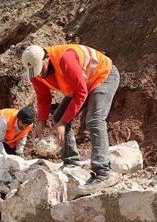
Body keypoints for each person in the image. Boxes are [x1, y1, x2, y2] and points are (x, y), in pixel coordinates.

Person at [21, 43, 121, 193]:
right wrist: (40, 122)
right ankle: (71, 162)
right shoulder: (35, 73)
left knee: (94, 120)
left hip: (103, 76)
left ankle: (103, 173)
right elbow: (43, 97)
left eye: (40, 69)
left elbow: (81, 93)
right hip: (82, 84)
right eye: (35, 72)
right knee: (59, 117)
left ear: (46, 58)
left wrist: (63, 122)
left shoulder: (65, 59)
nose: (39, 74)